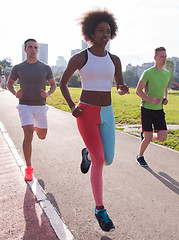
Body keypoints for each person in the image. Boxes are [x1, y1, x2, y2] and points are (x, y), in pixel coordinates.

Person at [60, 10, 129, 232]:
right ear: (91, 32)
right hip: (86, 113)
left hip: (107, 112)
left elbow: (118, 85)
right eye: (101, 30)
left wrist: (122, 88)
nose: (105, 35)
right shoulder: (81, 57)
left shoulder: (115, 60)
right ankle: (100, 209)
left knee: (107, 159)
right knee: (100, 161)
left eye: (108, 31)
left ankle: (86, 154)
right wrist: (72, 106)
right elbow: (63, 83)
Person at [8, 38, 56, 181]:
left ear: (38, 50)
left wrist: (48, 93)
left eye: (35, 47)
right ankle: (28, 168)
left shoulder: (45, 68)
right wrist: (15, 92)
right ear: (25, 50)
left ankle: (35, 127)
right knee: (28, 134)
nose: (33, 50)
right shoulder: (18, 67)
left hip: (40, 106)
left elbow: (53, 85)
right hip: (25, 105)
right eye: (30, 47)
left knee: (42, 136)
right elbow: (10, 84)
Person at [136, 47, 170, 167]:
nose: (164, 59)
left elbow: (164, 86)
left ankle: (145, 135)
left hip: (159, 110)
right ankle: (140, 156)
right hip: (146, 109)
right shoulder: (148, 73)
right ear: (155, 58)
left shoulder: (167, 74)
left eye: (165, 56)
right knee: (148, 138)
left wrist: (165, 98)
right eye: (161, 56)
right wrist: (151, 100)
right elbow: (138, 91)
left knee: (162, 137)